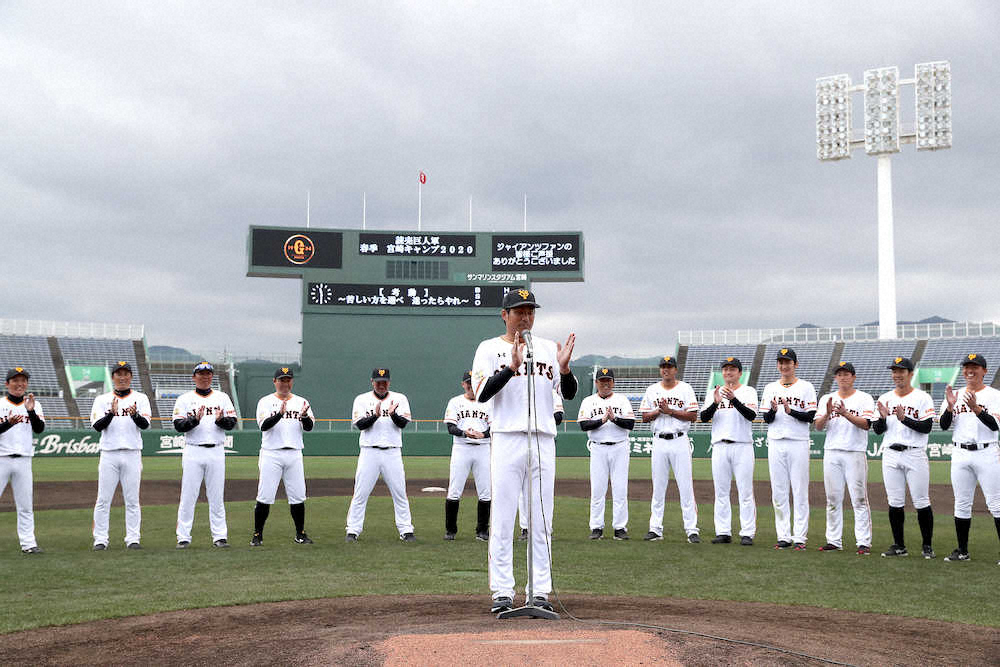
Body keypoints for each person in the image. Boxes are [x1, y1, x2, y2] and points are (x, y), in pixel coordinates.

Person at [472, 288, 576, 615]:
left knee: (542, 520)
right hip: (507, 437)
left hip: (543, 438)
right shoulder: (489, 348)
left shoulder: (546, 348)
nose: (526, 317)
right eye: (519, 311)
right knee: (503, 519)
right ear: (505, 315)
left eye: (530, 311)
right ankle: (503, 591)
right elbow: (482, 393)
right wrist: (510, 367)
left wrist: (565, 370)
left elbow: (569, 393)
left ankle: (539, 590)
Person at [939, 353, 1000, 563]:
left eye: (975, 367)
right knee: (962, 503)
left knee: (996, 504)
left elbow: (995, 425)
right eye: (966, 367)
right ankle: (962, 551)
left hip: (987, 451)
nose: (970, 370)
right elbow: (944, 425)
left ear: (984, 371)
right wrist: (949, 407)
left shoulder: (994, 395)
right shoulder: (954, 394)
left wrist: (976, 408)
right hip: (960, 453)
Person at [873, 357, 936, 559]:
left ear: (910, 374)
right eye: (894, 371)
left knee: (921, 501)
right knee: (894, 501)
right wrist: (882, 417)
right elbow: (878, 430)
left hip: (914, 452)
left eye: (901, 371)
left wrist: (904, 418)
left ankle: (927, 546)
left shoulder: (922, 397)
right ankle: (899, 545)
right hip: (891, 453)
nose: (897, 375)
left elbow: (927, 427)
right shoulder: (885, 398)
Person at [173, 361, 238, 549]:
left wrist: (221, 420)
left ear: (212, 376)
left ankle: (220, 536)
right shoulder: (185, 399)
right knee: (188, 496)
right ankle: (183, 537)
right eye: (201, 374)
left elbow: (231, 423)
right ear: (194, 377)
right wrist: (194, 420)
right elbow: (178, 426)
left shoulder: (222, 397)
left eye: (208, 373)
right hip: (193, 450)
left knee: (216, 496)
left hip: (216, 449)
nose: (205, 377)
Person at [346, 368, 415, 543]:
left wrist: (392, 414)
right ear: (372, 382)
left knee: (400, 493)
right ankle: (353, 530)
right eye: (378, 382)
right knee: (360, 493)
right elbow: (360, 425)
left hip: (392, 451)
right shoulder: (362, 399)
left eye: (384, 382)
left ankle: (406, 529)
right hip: (369, 451)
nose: (381, 385)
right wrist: (376, 415)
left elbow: (403, 424)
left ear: (389, 382)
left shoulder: (400, 399)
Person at [813, 361, 874, 555]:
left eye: (846, 374)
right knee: (832, 498)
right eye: (839, 374)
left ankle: (863, 541)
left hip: (854, 452)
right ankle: (833, 540)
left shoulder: (864, 398)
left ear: (853, 377)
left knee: (859, 499)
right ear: (835, 378)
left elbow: (866, 424)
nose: (842, 377)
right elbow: (818, 426)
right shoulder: (827, 398)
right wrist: (828, 413)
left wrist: (845, 413)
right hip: (832, 452)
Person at [251, 367, 315, 547]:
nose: (285, 383)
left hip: (294, 452)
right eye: (281, 380)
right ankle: (257, 534)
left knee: (298, 496)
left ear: (292, 382)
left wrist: (304, 417)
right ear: (274, 381)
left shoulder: (301, 402)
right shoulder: (265, 401)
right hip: (271, 453)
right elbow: (264, 426)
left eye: (288, 380)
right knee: (265, 495)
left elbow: (309, 427)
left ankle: (300, 534)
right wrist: (279, 414)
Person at [91, 361, 151, 550]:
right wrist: (111, 414)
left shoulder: (140, 398)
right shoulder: (102, 399)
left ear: (131, 376)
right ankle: (100, 539)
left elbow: (145, 425)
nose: (122, 377)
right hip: (109, 454)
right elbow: (97, 426)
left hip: (132, 453)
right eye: (119, 374)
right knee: (103, 499)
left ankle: (133, 538)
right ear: (113, 377)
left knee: (132, 500)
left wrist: (135, 415)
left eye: (126, 374)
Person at [760, 348, 817, 550]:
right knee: (779, 491)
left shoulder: (806, 387)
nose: (784, 365)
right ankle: (783, 536)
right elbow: (766, 419)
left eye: (788, 362)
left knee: (800, 491)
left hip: (798, 441)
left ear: (795, 364)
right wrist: (773, 411)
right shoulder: (770, 388)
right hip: (776, 441)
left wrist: (790, 411)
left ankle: (800, 537)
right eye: (781, 362)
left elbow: (810, 416)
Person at [640, 355, 700, 543]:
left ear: (675, 369)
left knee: (685, 486)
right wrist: (659, 411)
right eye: (663, 366)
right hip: (659, 440)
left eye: (669, 366)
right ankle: (655, 528)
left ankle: (691, 529)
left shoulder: (685, 388)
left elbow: (693, 416)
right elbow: (644, 417)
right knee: (658, 487)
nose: (666, 369)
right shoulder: (652, 390)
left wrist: (671, 411)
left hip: (679, 439)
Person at [700, 356, 758, 546]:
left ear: (740, 373)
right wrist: (715, 403)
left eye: (732, 369)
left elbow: (751, 415)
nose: (728, 372)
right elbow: (703, 417)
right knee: (721, 491)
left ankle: (747, 532)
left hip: (742, 445)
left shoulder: (748, 391)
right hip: (719, 446)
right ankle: (723, 531)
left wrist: (734, 399)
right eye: (725, 369)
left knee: (745, 491)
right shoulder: (713, 392)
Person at [579, 367, 635, 540]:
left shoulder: (622, 400)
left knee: (620, 489)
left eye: (608, 381)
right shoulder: (588, 401)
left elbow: (630, 424)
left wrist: (614, 419)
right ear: (596, 383)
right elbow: (583, 425)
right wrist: (603, 420)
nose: (605, 384)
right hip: (598, 447)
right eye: (602, 381)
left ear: (613, 383)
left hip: (620, 447)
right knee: (597, 489)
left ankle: (620, 527)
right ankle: (596, 527)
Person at [0, 367, 45, 554]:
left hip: (24, 460)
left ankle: (28, 543)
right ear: (7, 384)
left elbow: (39, 429)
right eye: (15, 380)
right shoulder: (0, 404)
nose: (20, 384)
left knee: (25, 505)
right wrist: (7, 424)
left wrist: (31, 411)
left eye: (23, 380)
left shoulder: (34, 404)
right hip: (1, 458)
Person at [443, 371, 492, 541]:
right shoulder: (455, 402)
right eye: (468, 383)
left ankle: (482, 530)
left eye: (473, 382)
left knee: (485, 491)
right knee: (454, 490)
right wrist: (465, 433)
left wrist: (483, 434)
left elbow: (494, 427)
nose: (471, 386)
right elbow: (450, 427)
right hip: (461, 448)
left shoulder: (488, 401)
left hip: (483, 448)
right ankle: (450, 530)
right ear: (463, 384)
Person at [517, 389, 563, 541]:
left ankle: (543, 529)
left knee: (544, 489)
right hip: (518, 437)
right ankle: (525, 528)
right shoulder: (519, 388)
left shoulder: (551, 392)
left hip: (542, 438)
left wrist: (538, 418)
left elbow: (558, 417)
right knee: (522, 490)